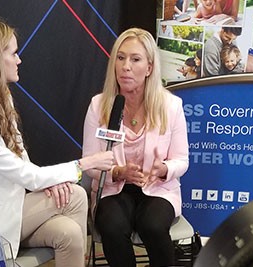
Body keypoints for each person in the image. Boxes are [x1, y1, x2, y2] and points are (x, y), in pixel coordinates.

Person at [0, 16, 115, 267]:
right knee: (74, 195)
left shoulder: (1, 98)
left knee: (71, 233)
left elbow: (19, 156)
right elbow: (23, 172)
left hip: (8, 207)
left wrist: (48, 182)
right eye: (13, 53)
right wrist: (86, 163)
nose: (19, 60)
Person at [82, 28, 189, 267]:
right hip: (113, 188)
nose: (125, 66)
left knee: (152, 225)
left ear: (149, 68)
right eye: (120, 58)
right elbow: (89, 162)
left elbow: (182, 160)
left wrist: (164, 169)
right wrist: (117, 172)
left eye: (135, 59)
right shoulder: (99, 106)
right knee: (111, 226)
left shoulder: (171, 106)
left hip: (158, 188)